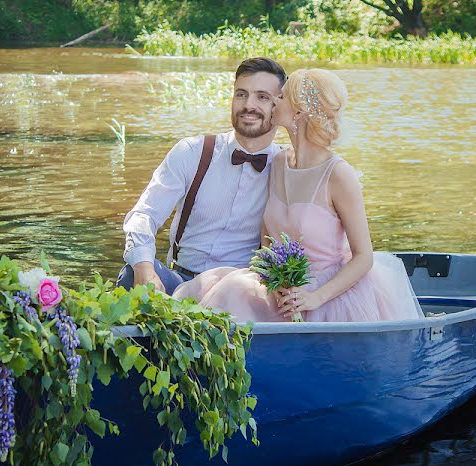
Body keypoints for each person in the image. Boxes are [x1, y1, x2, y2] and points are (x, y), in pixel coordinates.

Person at [173, 69, 423, 322]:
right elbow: (267, 239)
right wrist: (275, 280)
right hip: (281, 287)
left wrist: (314, 297)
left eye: (280, 97)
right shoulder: (279, 162)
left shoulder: (338, 175)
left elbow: (364, 257)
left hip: (326, 293)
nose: (273, 101)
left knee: (230, 293)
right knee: (215, 289)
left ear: (299, 112)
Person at [118, 57, 286, 294]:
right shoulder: (193, 151)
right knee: (131, 274)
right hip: (179, 281)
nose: (249, 105)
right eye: (241, 94)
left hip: (241, 291)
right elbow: (144, 214)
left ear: (280, 106)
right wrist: (145, 269)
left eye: (262, 97)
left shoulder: (287, 168)